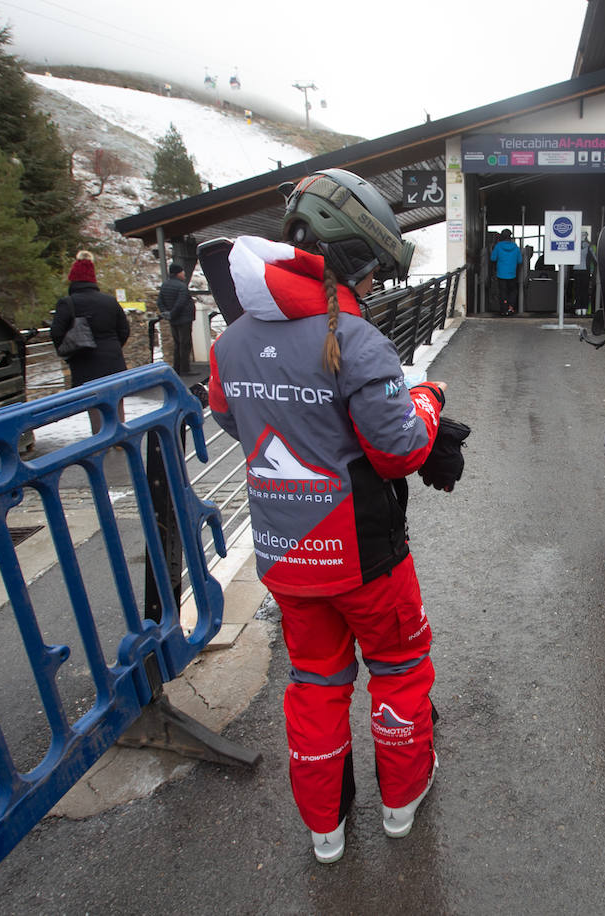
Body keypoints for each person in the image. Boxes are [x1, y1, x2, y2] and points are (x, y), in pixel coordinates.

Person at [208, 169, 446, 866]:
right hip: (366, 554)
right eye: (371, 275)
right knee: (399, 666)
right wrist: (427, 398)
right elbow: (399, 448)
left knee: (316, 681)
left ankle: (326, 828)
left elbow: (232, 418)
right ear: (351, 265)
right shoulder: (358, 342)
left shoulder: (230, 343)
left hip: (285, 553)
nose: (373, 288)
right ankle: (400, 803)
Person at [50, 250, 129, 389]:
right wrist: (113, 345)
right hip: (113, 359)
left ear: (73, 280)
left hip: (83, 360)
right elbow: (124, 330)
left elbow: (56, 332)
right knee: (116, 399)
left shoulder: (68, 303)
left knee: (93, 401)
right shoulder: (110, 301)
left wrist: (69, 352)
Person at [157, 262, 195, 375]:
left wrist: (166, 313)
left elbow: (160, 301)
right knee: (185, 344)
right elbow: (181, 303)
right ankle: (185, 369)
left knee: (177, 343)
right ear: (178, 273)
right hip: (184, 319)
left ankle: (176, 367)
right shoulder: (182, 286)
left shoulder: (165, 285)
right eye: (183, 273)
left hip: (173, 320)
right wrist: (173, 313)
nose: (184, 275)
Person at [489, 228, 522, 315]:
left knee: (503, 291)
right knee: (513, 291)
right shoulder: (515, 247)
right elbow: (520, 261)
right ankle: (511, 308)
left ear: (501, 237)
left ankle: (504, 310)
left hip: (501, 274)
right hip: (512, 274)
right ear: (510, 237)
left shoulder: (498, 246)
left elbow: (493, 258)